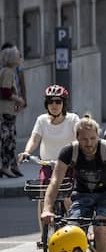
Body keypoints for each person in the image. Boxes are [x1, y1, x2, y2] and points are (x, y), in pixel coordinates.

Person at [41, 117, 106, 252]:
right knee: (73, 230)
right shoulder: (69, 151)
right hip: (81, 195)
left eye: (93, 138)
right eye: (84, 139)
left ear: (98, 136)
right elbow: (55, 181)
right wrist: (47, 209)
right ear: (77, 138)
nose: (89, 143)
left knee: (101, 228)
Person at [18, 85, 80, 220]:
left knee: (67, 197)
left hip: (67, 166)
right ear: (47, 104)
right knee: (43, 198)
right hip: (47, 165)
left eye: (58, 101)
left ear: (64, 103)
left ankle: (77, 226)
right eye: (51, 101)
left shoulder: (73, 119)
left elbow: (78, 139)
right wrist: (27, 152)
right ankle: (43, 236)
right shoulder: (42, 120)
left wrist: (76, 154)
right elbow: (34, 138)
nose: (54, 105)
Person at [0, 44, 26, 177]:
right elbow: (5, 92)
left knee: (10, 140)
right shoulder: (8, 72)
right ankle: (6, 167)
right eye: (17, 56)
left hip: (9, 111)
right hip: (6, 112)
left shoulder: (8, 71)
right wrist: (19, 100)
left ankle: (12, 165)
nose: (19, 57)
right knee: (7, 141)